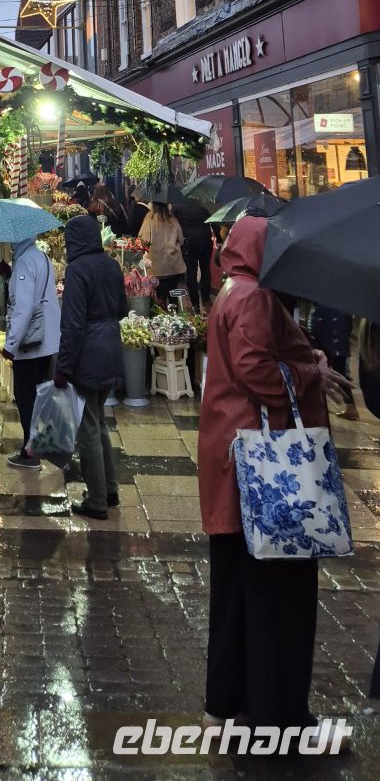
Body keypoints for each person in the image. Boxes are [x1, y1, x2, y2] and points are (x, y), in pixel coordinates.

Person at [198, 215, 341, 734]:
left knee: (236, 589)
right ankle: (275, 711)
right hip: (265, 469)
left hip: (234, 460)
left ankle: (230, 700)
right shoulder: (254, 299)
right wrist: (310, 372)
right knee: (273, 595)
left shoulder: (231, 292)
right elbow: (257, 370)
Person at [54, 215, 128, 519]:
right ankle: (109, 489)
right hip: (112, 347)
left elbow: (72, 325)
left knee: (87, 431)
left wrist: (63, 367)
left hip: (88, 352)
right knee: (99, 424)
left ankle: (96, 500)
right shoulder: (111, 265)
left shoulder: (77, 270)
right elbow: (123, 308)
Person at [2, 237, 61, 470]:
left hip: (32, 342)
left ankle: (30, 453)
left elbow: (23, 308)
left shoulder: (25, 261)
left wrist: (11, 345)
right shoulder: (41, 257)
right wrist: (9, 275)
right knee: (38, 395)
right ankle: (37, 445)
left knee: (26, 398)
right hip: (48, 338)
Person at [139, 201, 186, 305]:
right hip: (173, 263)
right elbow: (181, 240)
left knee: (160, 298)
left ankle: (162, 318)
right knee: (173, 294)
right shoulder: (173, 220)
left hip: (156, 265)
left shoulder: (149, 221)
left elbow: (143, 240)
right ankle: (175, 317)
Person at [173, 196, 213, 311]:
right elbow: (213, 222)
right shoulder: (204, 207)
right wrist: (219, 240)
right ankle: (205, 299)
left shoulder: (178, 208)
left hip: (188, 243)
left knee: (191, 271)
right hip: (205, 241)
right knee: (205, 269)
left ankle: (195, 302)